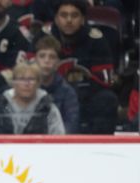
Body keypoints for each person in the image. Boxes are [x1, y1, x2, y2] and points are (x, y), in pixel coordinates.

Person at [50, 0, 118, 133]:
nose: (69, 20)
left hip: (86, 94)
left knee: (107, 99)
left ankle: (100, 148)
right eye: (64, 15)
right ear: (56, 19)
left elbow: (105, 80)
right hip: (51, 92)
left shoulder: (96, 40)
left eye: (74, 15)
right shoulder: (45, 37)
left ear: (82, 19)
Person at [0, 62, 66, 134]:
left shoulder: (49, 108)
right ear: (13, 82)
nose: (26, 84)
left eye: (31, 79)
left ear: (38, 83)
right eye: (21, 79)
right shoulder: (0, 107)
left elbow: (59, 140)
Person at [34, 35, 80, 134]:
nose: (46, 61)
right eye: (42, 56)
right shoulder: (26, 88)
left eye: (52, 57)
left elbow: (71, 125)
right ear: (35, 60)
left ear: (57, 63)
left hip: (57, 145)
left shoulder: (67, 92)